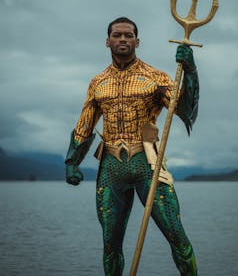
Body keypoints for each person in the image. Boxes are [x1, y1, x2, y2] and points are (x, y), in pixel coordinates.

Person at [65, 17, 199, 276]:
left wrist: (191, 71)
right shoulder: (98, 82)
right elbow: (85, 122)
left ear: (137, 41)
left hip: (147, 164)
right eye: (117, 35)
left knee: (177, 236)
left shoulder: (155, 77)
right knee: (110, 245)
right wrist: (71, 161)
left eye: (128, 35)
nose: (123, 39)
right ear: (108, 41)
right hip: (110, 168)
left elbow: (184, 110)